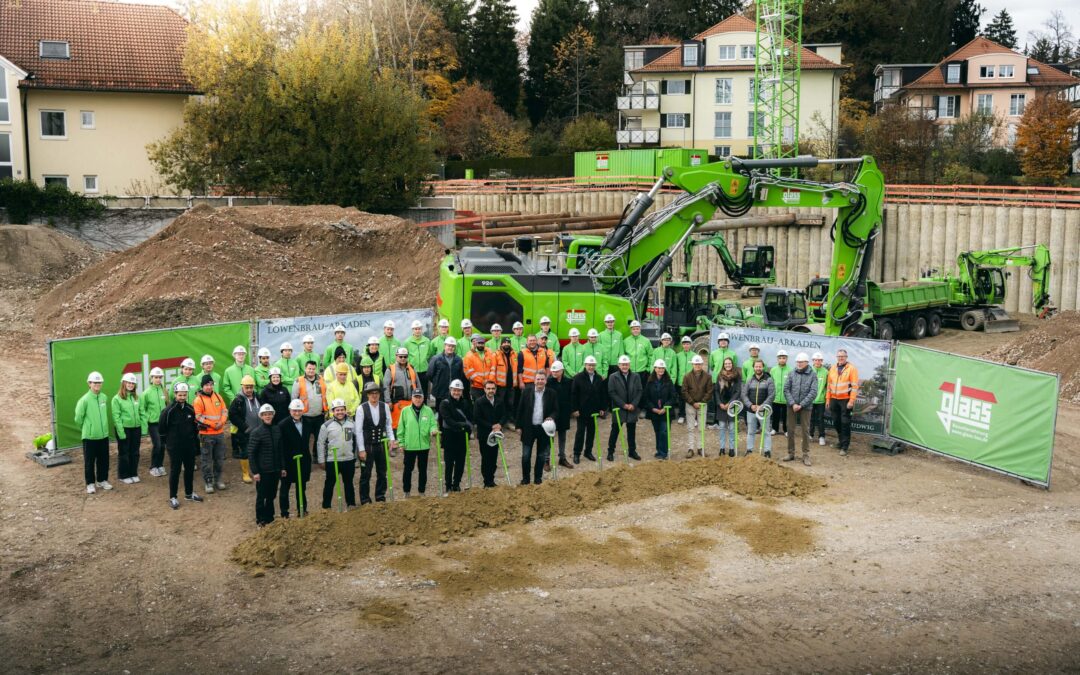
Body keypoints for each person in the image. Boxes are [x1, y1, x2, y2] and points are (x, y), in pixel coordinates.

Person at [159, 382, 203, 509]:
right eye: (180, 395)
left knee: (189, 469)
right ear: (175, 394)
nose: (182, 397)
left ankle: (189, 494)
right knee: (175, 471)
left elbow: (195, 428)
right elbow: (162, 429)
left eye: (184, 395)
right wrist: (167, 445)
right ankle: (173, 497)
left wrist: (195, 445)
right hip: (174, 447)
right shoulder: (168, 411)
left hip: (189, 446)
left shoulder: (190, 409)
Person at [356, 382, 396, 504]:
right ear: (367, 395)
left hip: (381, 444)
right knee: (365, 474)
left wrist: (391, 440)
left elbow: (388, 425)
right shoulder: (361, 408)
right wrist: (361, 449)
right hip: (367, 445)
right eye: (371, 393)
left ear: (379, 394)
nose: (374, 395)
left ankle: (380, 496)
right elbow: (358, 430)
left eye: (376, 393)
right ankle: (365, 499)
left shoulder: (384, 406)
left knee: (382, 472)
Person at [516, 372, 558, 485]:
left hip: (543, 429)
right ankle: (526, 479)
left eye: (542, 379)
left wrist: (552, 417)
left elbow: (556, 410)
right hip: (528, 428)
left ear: (546, 381)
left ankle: (538, 479)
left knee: (541, 456)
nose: (540, 381)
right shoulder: (526, 392)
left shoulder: (551, 393)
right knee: (526, 456)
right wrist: (518, 426)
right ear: (534, 381)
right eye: (538, 379)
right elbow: (520, 409)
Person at [248, 403, 286, 527]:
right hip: (263, 471)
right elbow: (251, 453)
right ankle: (260, 520)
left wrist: (282, 467)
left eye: (270, 414)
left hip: (275, 470)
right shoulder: (256, 432)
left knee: (271, 495)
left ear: (273, 415)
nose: (268, 416)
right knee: (261, 497)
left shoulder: (276, 429)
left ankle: (270, 517)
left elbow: (281, 450)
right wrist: (255, 472)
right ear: (261, 416)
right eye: (265, 414)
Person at [317, 399, 358, 509]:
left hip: (348, 459)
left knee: (349, 483)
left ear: (345, 410)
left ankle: (351, 504)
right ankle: (326, 507)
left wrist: (357, 456)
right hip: (332, 460)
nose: (340, 412)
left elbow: (358, 439)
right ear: (333, 411)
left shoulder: (351, 423)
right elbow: (320, 443)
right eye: (337, 410)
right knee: (330, 483)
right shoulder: (326, 426)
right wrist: (321, 460)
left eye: (342, 410)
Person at [397, 388, 437, 496]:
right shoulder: (405, 411)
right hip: (410, 446)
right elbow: (401, 429)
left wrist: (433, 430)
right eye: (416, 397)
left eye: (419, 397)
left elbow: (433, 424)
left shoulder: (428, 411)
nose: (418, 399)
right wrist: (401, 443)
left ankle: (422, 491)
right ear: (412, 398)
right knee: (408, 469)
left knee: (423, 470)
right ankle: (406, 491)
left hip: (424, 446)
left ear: (423, 398)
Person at [76, 371, 111, 494]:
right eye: (95, 382)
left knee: (104, 460)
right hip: (89, 437)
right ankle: (90, 483)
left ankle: (102, 480)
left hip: (103, 436)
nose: (97, 384)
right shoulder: (84, 400)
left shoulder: (104, 397)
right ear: (89, 383)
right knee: (89, 462)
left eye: (99, 382)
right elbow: (78, 419)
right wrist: (89, 428)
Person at [193, 374, 228, 492]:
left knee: (219, 458)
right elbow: (198, 417)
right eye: (206, 385)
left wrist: (222, 422)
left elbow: (224, 411)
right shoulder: (198, 400)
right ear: (202, 386)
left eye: (211, 384)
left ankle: (218, 479)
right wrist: (213, 424)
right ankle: (208, 482)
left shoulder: (218, 397)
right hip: (206, 434)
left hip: (220, 433)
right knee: (206, 459)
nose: (209, 387)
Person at [606, 355, 643, 461]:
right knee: (615, 431)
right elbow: (612, 392)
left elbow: (639, 391)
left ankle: (632, 451)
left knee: (631, 431)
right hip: (619, 409)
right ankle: (610, 452)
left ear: (629, 365)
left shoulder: (636, 376)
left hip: (632, 408)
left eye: (626, 364)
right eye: (622, 364)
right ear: (619, 365)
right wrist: (623, 405)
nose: (625, 366)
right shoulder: (613, 376)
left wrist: (633, 404)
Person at [784, 353, 818, 466]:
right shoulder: (791, 373)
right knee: (790, 429)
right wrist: (793, 403)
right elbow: (786, 389)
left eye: (801, 362)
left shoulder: (813, 375)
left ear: (807, 363)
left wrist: (802, 404)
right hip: (791, 406)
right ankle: (791, 453)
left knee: (805, 431)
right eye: (797, 362)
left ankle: (806, 455)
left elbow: (813, 392)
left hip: (806, 407)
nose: (798, 364)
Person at [571, 355, 606, 463]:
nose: (591, 367)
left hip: (594, 411)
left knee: (591, 432)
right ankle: (577, 453)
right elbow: (573, 394)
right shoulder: (578, 378)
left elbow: (603, 395)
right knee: (580, 432)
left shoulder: (599, 378)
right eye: (589, 365)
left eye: (593, 365)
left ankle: (588, 452)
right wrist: (575, 409)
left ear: (595, 366)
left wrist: (602, 408)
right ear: (585, 365)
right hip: (581, 411)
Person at [439, 380, 473, 492]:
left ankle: (456, 484)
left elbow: (470, 418)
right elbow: (448, 421)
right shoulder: (445, 403)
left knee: (460, 463)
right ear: (450, 390)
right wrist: (462, 424)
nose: (456, 392)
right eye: (454, 390)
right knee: (449, 464)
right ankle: (448, 485)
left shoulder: (466, 403)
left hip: (462, 438)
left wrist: (465, 426)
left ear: (462, 391)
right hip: (449, 437)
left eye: (458, 390)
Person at [473, 380, 507, 487]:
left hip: (496, 434)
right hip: (484, 435)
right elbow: (477, 418)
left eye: (493, 388)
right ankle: (486, 481)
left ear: (495, 389)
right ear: (484, 389)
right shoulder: (479, 402)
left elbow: (504, 415)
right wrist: (491, 426)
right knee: (486, 458)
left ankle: (491, 480)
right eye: (488, 388)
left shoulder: (500, 401)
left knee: (493, 457)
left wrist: (500, 424)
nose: (490, 390)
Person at [227, 375, 261, 484]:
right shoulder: (238, 400)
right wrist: (245, 427)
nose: (249, 390)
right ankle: (245, 473)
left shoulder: (258, 397)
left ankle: (258, 469)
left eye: (251, 387)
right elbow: (232, 415)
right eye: (247, 387)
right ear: (242, 387)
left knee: (259, 449)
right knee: (245, 451)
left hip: (259, 429)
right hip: (245, 431)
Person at [278, 399, 309, 517]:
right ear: (290, 411)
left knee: (301, 487)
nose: (297, 413)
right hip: (288, 461)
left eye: (299, 410)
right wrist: (282, 466)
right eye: (294, 410)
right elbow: (280, 447)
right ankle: (284, 512)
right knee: (285, 488)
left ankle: (302, 510)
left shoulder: (306, 422)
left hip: (303, 460)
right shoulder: (283, 425)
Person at [292, 360, 327, 461]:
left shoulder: (321, 379)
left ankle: (316, 456)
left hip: (319, 415)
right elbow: (294, 399)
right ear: (305, 369)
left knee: (319, 438)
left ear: (315, 369)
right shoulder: (298, 381)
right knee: (305, 439)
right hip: (305, 416)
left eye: (313, 369)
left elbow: (325, 395)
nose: (311, 371)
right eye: (309, 369)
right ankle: (306, 458)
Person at [826, 349, 859, 456]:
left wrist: (851, 400)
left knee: (845, 423)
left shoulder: (852, 369)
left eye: (843, 356)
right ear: (837, 357)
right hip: (834, 400)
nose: (840, 358)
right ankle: (840, 442)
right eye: (839, 356)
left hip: (846, 400)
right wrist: (828, 399)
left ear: (846, 357)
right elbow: (829, 386)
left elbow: (854, 387)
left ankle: (844, 447)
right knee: (836, 422)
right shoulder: (832, 368)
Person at [113, 372, 143, 484]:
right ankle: (123, 475)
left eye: (133, 383)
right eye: (128, 382)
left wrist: (142, 425)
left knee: (135, 452)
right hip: (124, 429)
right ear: (124, 383)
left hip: (136, 428)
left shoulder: (137, 397)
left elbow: (141, 412)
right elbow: (116, 417)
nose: (131, 385)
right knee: (124, 453)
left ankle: (133, 473)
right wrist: (121, 432)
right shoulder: (117, 399)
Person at [644, 360, 677, 460]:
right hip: (654, 412)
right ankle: (659, 451)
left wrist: (666, 407)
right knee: (657, 431)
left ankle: (664, 453)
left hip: (665, 412)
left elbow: (673, 396)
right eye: (659, 368)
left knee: (664, 431)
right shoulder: (649, 382)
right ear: (655, 369)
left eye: (662, 368)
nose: (661, 370)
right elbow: (646, 398)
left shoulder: (668, 381)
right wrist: (652, 408)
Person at [682, 355, 714, 458]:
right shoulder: (687, 376)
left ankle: (700, 448)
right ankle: (690, 449)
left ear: (702, 365)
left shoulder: (708, 376)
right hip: (690, 405)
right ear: (692, 364)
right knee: (690, 427)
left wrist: (702, 402)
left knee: (701, 428)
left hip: (702, 405)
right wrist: (692, 402)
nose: (697, 365)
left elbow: (709, 391)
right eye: (696, 364)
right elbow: (684, 391)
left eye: (699, 364)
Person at [742, 360, 775, 458]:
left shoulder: (768, 379)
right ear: (754, 368)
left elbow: (772, 395)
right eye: (756, 366)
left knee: (766, 432)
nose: (758, 368)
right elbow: (744, 395)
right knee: (751, 431)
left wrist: (762, 406)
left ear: (763, 367)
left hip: (764, 411)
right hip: (751, 410)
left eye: (760, 366)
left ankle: (767, 451)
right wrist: (750, 405)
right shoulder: (750, 380)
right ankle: (749, 450)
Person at [141, 367, 169, 478]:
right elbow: (142, 409)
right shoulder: (146, 393)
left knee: (162, 445)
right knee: (157, 444)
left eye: (159, 377)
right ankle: (153, 467)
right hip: (153, 424)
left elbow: (168, 405)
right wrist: (148, 419)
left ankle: (160, 465)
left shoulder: (164, 391)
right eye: (155, 377)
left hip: (163, 423)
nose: (157, 379)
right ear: (151, 378)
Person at [384, 347, 421, 429]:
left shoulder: (411, 368)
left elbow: (418, 384)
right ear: (396, 356)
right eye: (400, 356)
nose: (403, 358)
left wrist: (420, 398)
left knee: (411, 426)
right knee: (397, 426)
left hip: (412, 403)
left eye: (405, 356)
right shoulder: (390, 369)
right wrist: (388, 401)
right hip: (397, 404)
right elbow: (385, 386)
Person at [713, 357, 742, 457]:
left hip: (732, 405)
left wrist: (730, 403)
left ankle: (732, 449)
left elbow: (738, 391)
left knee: (732, 428)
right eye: (726, 364)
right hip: (721, 405)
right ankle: (721, 448)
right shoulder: (719, 376)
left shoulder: (737, 376)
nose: (727, 365)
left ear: (732, 364)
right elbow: (716, 391)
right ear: (723, 365)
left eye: (729, 363)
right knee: (721, 428)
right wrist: (720, 403)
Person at [547, 362, 574, 469]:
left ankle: (562, 458)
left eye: (556, 371)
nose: (554, 373)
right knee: (550, 437)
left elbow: (571, 396)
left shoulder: (568, 382)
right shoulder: (548, 382)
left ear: (562, 371)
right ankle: (546, 460)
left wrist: (572, 409)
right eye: (553, 371)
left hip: (564, 413)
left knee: (562, 436)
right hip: (551, 414)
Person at [428, 337, 465, 410]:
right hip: (440, 391)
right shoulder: (436, 359)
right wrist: (437, 382)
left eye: (452, 346)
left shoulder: (458, 360)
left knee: (453, 411)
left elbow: (461, 375)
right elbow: (430, 374)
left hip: (454, 392)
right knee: (440, 411)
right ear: (444, 346)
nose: (450, 348)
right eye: (448, 346)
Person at [623, 320, 652, 411]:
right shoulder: (626, 341)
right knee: (630, 390)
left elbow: (651, 355)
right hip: (629, 371)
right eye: (633, 329)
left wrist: (648, 368)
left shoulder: (646, 341)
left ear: (640, 329)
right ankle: (632, 407)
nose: (635, 330)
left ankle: (642, 408)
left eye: (637, 328)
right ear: (631, 330)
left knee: (642, 390)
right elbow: (623, 355)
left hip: (642, 371)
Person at [463, 334, 496, 402]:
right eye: (479, 343)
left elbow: (493, 367)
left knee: (489, 405)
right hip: (476, 387)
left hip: (489, 387)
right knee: (478, 407)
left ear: (484, 344)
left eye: (482, 343)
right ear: (475, 344)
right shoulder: (469, 355)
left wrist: (489, 381)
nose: (480, 345)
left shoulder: (489, 352)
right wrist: (483, 382)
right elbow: (469, 373)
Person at [405, 320, 432, 393]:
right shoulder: (407, 342)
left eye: (419, 328)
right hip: (412, 371)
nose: (417, 331)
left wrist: (423, 361)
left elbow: (429, 354)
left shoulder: (427, 341)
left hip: (424, 371)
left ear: (421, 329)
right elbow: (405, 356)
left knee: (424, 391)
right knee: (413, 391)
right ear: (412, 330)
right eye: (415, 329)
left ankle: (424, 403)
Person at [672, 336, 694, 424]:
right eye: (684, 344)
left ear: (690, 345)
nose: (686, 346)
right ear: (682, 345)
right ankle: (681, 415)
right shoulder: (677, 356)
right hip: (680, 381)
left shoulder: (694, 356)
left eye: (688, 344)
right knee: (681, 399)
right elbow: (675, 368)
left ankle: (691, 416)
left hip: (691, 382)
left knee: (690, 399)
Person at [770, 350, 792, 436]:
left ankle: (786, 430)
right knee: (775, 415)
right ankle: (774, 429)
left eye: (784, 358)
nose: (782, 360)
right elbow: (771, 383)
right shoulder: (773, 370)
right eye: (780, 358)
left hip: (786, 398)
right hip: (775, 397)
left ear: (786, 359)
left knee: (786, 416)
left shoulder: (790, 370)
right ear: (777, 359)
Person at [491, 337, 516, 411]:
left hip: (511, 384)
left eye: (508, 342)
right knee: (500, 403)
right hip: (500, 385)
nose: (506, 344)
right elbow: (493, 370)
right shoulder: (496, 354)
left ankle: (510, 418)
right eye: (504, 342)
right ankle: (501, 418)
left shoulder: (514, 354)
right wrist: (493, 383)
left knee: (511, 403)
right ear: (501, 344)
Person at [810, 352, 829, 447]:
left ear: (822, 361)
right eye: (816, 360)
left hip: (821, 400)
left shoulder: (825, 372)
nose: (817, 362)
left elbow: (828, 387)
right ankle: (810, 435)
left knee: (820, 419)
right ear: (813, 361)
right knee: (810, 418)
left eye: (819, 360)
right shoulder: (809, 370)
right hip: (810, 400)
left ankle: (821, 437)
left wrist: (827, 399)